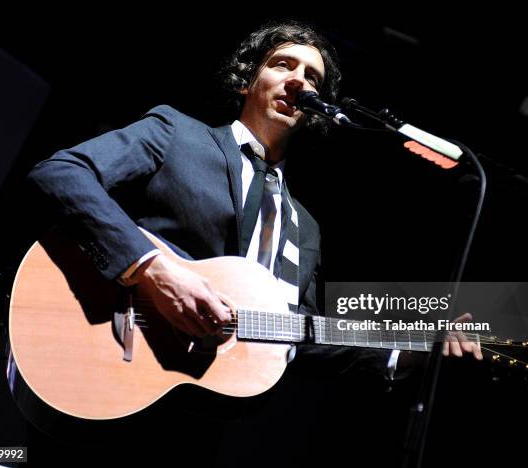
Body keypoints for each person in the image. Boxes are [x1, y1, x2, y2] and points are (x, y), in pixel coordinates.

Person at [27, 19, 481, 465]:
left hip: (197, 420)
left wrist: (410, 352)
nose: (299, 81)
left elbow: (294, 334)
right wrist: (153, 270)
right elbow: (62, 173)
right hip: (105, 369)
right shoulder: (176, 134)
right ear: (247, 81)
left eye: (312, 78)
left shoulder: (305, 228)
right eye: (283, 65)